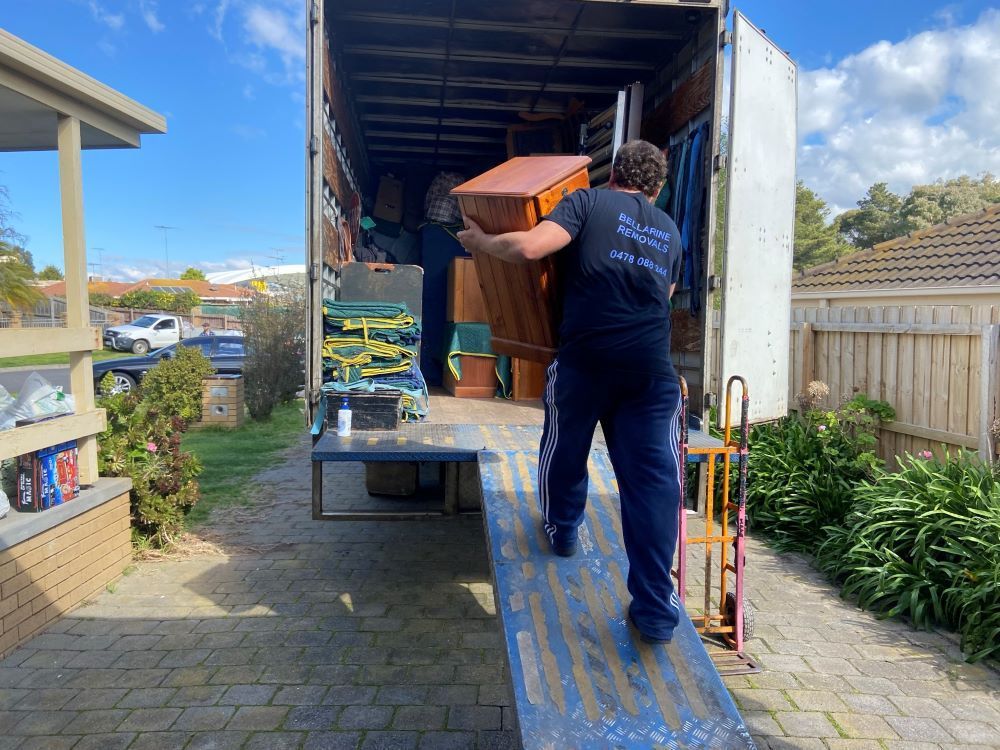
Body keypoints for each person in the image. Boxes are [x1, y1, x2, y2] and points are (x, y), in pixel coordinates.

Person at [457, 140, 683, 645]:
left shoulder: (587, 201)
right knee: (653, 486)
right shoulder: (669, 230)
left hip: (586, 360)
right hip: (651, 373)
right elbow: (663, 297)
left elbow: (529, 248)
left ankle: (563, 531)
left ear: (613, 175)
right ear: (657, 188)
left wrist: (481, 241)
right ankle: (655, 612)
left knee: (565, 448)